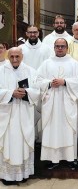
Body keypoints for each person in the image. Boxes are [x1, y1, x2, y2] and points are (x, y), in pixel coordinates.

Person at [37, 38, 78, 170]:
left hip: (68, 102)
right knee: (52, 130)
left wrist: (65, 82)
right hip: (51, 102)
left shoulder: (74, 64)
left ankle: (70, 158)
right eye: (57, 46)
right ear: (53, 47)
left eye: (62, 46)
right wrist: (48, 83)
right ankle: (53, 159)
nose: (59, 48)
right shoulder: (46, 63)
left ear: (67, 48)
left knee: (68, 129)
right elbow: (38, 80)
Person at [0, 47, 39, 185]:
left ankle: (24, 173)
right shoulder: (1, 70)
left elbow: (37, 90)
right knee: (7, 143)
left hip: (24, 113)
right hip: (7, 115)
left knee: (23, 142)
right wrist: (11, 93)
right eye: (12, 57)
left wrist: (26, 92)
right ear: (7, 56)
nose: (15, 59)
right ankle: (7, 175)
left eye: (17, 56)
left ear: (22, 56)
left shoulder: (30, 71)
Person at [19, 25, 53, 142]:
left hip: (42, 84)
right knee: (28, 112)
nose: (32, 34)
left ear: (38, 33)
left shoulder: (47, 49)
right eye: (30, 32)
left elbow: (50, 66)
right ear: (27, 34)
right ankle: (29, 138)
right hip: (26, 85)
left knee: (42, 112)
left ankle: (41, 139)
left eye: (35, 32)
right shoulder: (21, 49)